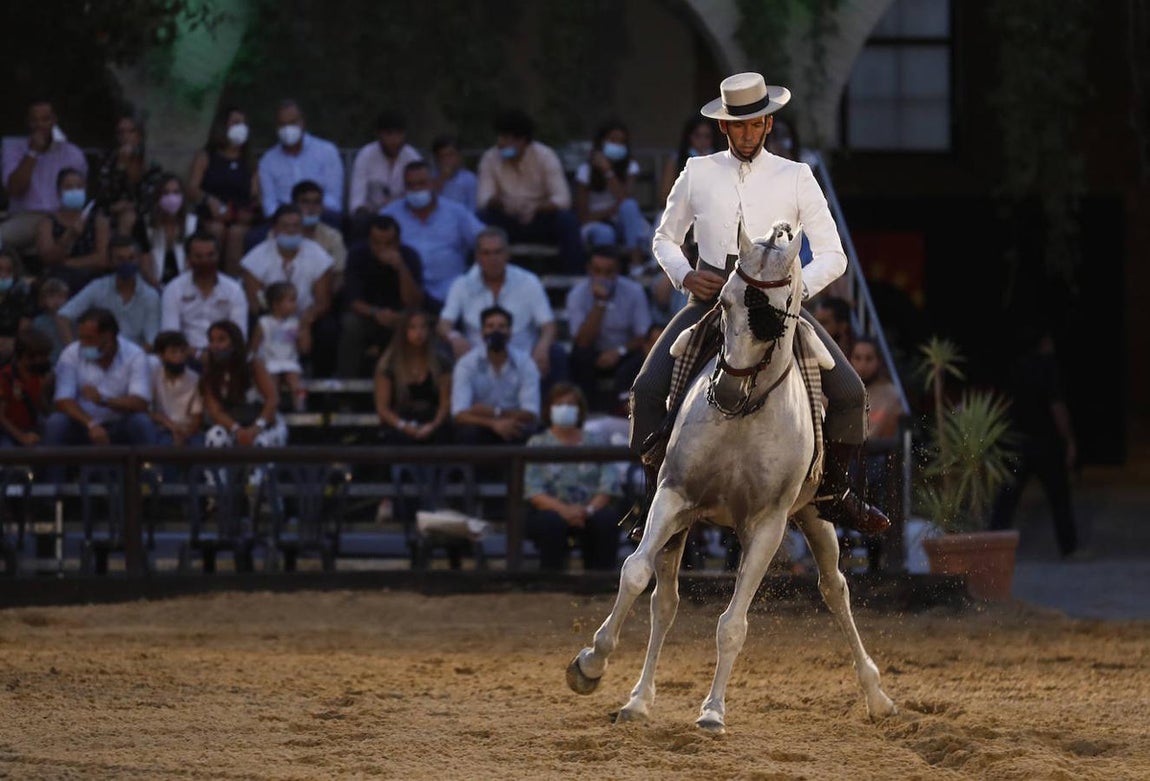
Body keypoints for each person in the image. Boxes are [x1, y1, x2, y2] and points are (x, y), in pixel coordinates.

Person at [633, 71, 888, 534]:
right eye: (739, 126)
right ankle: (652, 497)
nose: (748, 134)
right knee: (647, 388)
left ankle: (835, 491)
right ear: (724, 127)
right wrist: (686, 272)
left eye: (756, 125)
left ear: (768, 124)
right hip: (712, 300)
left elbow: (834, 256)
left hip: (779, 304)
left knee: (851, 393)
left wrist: (791, 293)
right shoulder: (697, 172)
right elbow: (664, 238)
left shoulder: (797, 177)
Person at [990, 329, 1080, 559]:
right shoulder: (1048, 368)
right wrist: (1068, 439)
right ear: (1044, 342)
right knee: (1059, 496)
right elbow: (1057, 407)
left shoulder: (1016, 367)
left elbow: (1003, 403)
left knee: (1007, 498)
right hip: (1045, 442)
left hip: (1017, 440)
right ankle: (1068, 548)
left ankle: (991, 545)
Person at [437, 227, 559, 381]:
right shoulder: (461, 284)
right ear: (477, 256)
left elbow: (548, 325)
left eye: (498, 252)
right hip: (477, 363)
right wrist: (454, 337)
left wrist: (543, 346)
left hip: (524, 359)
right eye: (486, 253)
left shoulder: (529, 282)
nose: (492, 259)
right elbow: (443, 324)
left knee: (556, 353)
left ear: (507, 254)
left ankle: (558, 405)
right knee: (443, 351)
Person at [524, 383, 623, 571]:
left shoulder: (596, 442)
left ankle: (601, 582)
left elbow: (608, 484)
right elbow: (533, 490)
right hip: (551, 510)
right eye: (560, 404)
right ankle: (553, 581)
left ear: (579, 410)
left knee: (606, 519)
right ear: (549, 409)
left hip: (590, 509)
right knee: (550, 523)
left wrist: (588, 510)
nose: (565, 409)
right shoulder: (537, 444)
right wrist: (564, 510)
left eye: (571, 404)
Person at [42, 307, 156, 466]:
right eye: (81, 337)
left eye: (89, 338)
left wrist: (104, 400)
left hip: (119, 425)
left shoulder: (135, 355)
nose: (83, 343)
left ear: (108, 337)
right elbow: (63, 400)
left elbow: (140, 403)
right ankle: (51, 487)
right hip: (82, 425)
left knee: (141, 422)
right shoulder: (71, 353)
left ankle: (154, 482)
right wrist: (91, 424)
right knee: (56, 422)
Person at [476, 110, 583, 274]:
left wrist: (537, 208)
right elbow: (483, 199)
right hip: (507, 219)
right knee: (481, 219)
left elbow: (563, 199)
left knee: (567, 221)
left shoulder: (545, 156)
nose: (500, 143)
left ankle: (573, 278)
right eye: (500, 137)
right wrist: (502, 204)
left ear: (522, 140)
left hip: (539, 218)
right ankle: (481, 277)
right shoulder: (490, 158)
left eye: (506, 138)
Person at [381, 160, 485, 310]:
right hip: (406, 292)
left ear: (433, 184)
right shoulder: (389, 215)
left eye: (422, 183)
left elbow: (484, 239)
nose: (416, 189)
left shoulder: (456, 212)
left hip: (451, 292)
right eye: (411, 185)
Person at [239, 205, 333, 359]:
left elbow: (323, 302)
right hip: (270, 315)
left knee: (327, 328)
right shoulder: (255, 258)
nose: (291, 230)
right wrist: (277, 319)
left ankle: (320, 376)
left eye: (296, 226)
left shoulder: (318, 255)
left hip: (306, 316)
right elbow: (255, 303)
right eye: (285, 226)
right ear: (275, 229)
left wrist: (305, 320)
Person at [337, 215, 424, 378]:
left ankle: (406, 384)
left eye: (388, 243)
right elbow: (353, 300)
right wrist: (375, 313)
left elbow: (413, 302)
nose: (382, 248)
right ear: (369, 240)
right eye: (377, 243)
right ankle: (347, 388)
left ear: (398, 242)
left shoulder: (410, 256)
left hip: (400, 317)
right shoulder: (357, 255)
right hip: (367, 315)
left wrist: (401, 268)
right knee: (351, 324)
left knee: (415, 325)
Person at [566, 246, 651, 412]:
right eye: (597, 271)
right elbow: (582, 340)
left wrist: (618, 352)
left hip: (625, 350)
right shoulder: (577, 295)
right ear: (589, 270)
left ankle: (630, 412)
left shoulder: (634, 291)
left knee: (641, 357)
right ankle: (586, 412)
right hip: (594, 351)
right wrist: (600, 303)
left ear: (617, 271)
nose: (603, 277)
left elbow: (643, 335)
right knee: (579, 355)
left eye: (609, 272)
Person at [0, 99, 89, 256]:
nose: (40, 125)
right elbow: (14, 189)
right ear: (28, 122)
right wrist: (33, 152)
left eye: (45, 119)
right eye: (35, 120)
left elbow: (79, 195)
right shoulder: (13, 147)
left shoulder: (72, 153)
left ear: (54, 120)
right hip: (27, 216)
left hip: (61, 217)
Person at [187, 106, 260, 276]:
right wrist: (209, 200)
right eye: (235, 122)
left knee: (236, 234)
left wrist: (249, 213)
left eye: (243, 123)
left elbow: (255, 195)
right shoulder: (206, 156)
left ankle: (232, 284)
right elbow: (192, 188)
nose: (240, 127)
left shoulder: (250, 162)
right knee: (216, 229)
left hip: (239, 216)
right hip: (211, 214)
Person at [450, 305, 539, 446]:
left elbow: (531, 413)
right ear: (482, 332)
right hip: (481, 426)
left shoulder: (525, 363)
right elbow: (459, 414)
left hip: (514, 424)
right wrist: (493, 424)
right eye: (490, 326)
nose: (496, 331)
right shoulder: (467, 364)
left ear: (510, 332)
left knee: (528, 431)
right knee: (468, 432)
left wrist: (495, 413)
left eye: (502, 326)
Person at [574, 120, 653, 269]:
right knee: (605, 232)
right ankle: (604, 271)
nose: (617, 145)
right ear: (601, 142)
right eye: (613, 140)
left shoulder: (630, 167)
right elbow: (583, 216)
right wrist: (609, 212)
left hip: (622, 222)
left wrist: (608, 171)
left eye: (621, 142)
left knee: (629, 207)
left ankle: (636, 266)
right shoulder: (584, 171)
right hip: (595, 223)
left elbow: (624, 200)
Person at [160, 232, 248, 364]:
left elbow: (239, 335)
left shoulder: (234, 290)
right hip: (185, 356)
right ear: (188, 259)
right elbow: (170, 335)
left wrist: (216, 353)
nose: (205, 261)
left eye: (210, 255)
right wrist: (197, 354)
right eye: (198, 256)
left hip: (225, 354)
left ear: (219, 256)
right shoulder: (173, 289)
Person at [59, 237, 161, 351]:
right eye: (120, 259)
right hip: (99, 354)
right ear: (110, 261)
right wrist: (72, 350)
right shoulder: (98, 287)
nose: (126, 263)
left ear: (138, 260)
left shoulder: (150, 296)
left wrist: (129, 360)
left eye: (131, 258)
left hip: (135, 357)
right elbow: (63, 316)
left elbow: (151, 341)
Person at [200, 319, 286, 448]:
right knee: (215, 436)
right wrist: (237, 430)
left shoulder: (253, 365)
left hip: (262, 421)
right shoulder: (210, 372)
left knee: (260, 442)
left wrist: (256, 428)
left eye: (221, 340)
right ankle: (218, 468)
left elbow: (272, 399)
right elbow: (215, 411)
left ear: (234, 342)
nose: (215, 345)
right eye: (212, 341)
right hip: (233, 424)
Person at [374, 310, 452, 445]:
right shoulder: (388, 365)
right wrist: (404, 426)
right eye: (412, 327)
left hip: (432, 419)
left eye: (423, 327)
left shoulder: (441, 362)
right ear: (403, 332)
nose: (419, 332)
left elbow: (445, 404)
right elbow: (383, 409)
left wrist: (433, 425)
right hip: (400, 420)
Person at [258, 100, 344, 219]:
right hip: (284, 221)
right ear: (276, 128)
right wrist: (290, 216)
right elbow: (269, 205)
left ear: (302, 123)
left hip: (322, 216)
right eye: (283, 124)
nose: (288, 128)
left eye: (292, 123)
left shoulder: (327, 152)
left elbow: (334, 199)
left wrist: (312, 209)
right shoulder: (268, 161)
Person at [34, 168, 111, 291]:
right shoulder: (47, 223)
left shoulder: (98, 220)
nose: (75, 190)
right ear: (59, 193)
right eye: (69, 187)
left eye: (79, 186)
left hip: (92, 279)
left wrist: (67, 263)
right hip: (60, 281)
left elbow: (103, 259)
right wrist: (69, 237)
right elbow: (47, 259)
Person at [93, 113, 164, 237]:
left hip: (142, 215)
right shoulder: (106, 161)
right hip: (112, 214)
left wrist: (129, 206)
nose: (125, 137)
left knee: (130, 217)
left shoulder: (152, 166)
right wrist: (121, 166)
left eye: (131, 131)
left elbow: (151, 198)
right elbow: (104, 196)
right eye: (121, 132)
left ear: (140, 136)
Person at [349, 110, 422, 225]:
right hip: (372, 218)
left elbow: (420, 194)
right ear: (379, 134)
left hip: (405, 217)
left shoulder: (412, 157)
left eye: (399, 134)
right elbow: (357, 202)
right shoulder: (365, 156)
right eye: (389, 134)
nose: (394, 140)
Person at [250, 281, 307, 411]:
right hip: (270, 360)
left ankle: (301, 407)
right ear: (276, 304)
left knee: (297, 384)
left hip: (289, 360)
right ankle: (272, 410)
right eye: (291, 300)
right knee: (272, 385)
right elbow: (254, 344)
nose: (295, 304)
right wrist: (252, 360)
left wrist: (304, 330)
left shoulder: (295, 323)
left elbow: (302, 347)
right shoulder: (264, 322)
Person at [135, 173, 199, 290]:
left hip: (186, 286)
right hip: (153, 287)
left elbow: (195, 262)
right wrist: (157, 287)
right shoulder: (144, 224)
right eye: (166, 193)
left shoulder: (193, 224)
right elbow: (145, 266)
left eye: (176, 192)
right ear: (157, 197)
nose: (171, 198)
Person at [0, 329, 55, 447]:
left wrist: (46, 388)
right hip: (7, 431)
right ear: (23, 356)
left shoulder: (40, 376)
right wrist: (21, 437)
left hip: (30, 428)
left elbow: (40, 407)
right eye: (38, 357)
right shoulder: (5, 378)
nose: (42, 361)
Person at [149, 330, 204, 448]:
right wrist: (171, 426)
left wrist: (183, 434)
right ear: (161, 355)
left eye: (182, 351)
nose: (179, 356)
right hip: (162, 429)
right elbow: (148, 411)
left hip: (189, 432)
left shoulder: (195, 379)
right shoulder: (153, 376)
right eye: (173, 352)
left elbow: (196, 418)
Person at [292, 180, 347, 290]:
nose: (311, 208)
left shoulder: (333, 236)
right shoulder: (281, 234)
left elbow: (339, 276)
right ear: (294, 205)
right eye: (305, 202)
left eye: (316, 202)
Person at [657, 115, 719, 207]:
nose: (702, 140)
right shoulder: (676, 160)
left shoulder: (720, 160)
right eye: (698, 136)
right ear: (689, 136)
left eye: (707, 136)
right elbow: (664, 196)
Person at [0, 249, 34, 361]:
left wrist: (12, 342)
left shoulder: (22, 293)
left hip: (12, 345)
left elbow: (24, 328)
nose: (3, 275)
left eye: (8, 271)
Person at [431, 135, 477, 212]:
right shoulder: (431, 178)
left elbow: (473, 208)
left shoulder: (469, 179)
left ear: (458, 156)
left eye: (451, 155)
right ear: (437, 159)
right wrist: (441, 179)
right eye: (442, 156)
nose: (447, 160)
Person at [31, 278, 71, 363]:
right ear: (43, 299)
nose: (56, 301)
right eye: (51, 297)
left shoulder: (72, 321)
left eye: (60, 296)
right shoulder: (38, 322)